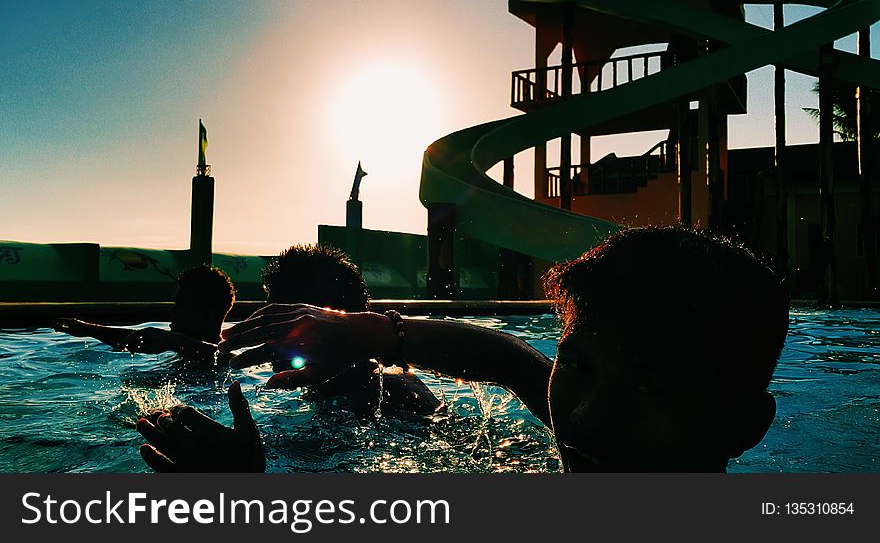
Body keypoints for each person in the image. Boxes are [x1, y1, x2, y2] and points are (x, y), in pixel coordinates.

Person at [138, 227, 788, 472]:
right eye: (579, 365)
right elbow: (512, 363)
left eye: (650, 388)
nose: (588, 413)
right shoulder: (591, 436)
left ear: (742, 426)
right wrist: (374, 331)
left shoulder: (394, 397)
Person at [260, 243, 442, 417]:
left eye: (278, 323)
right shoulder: (332, 385)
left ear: (323, 324)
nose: (265, 335)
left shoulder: (387, 393)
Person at [54, 265, 235, 364]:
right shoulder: (183, 351)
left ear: (207, 314)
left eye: (181, 305)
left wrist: (173, 340)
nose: (172, 312)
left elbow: (227, 358)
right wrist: (87, 329)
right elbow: (136, 338)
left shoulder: (229, 362)